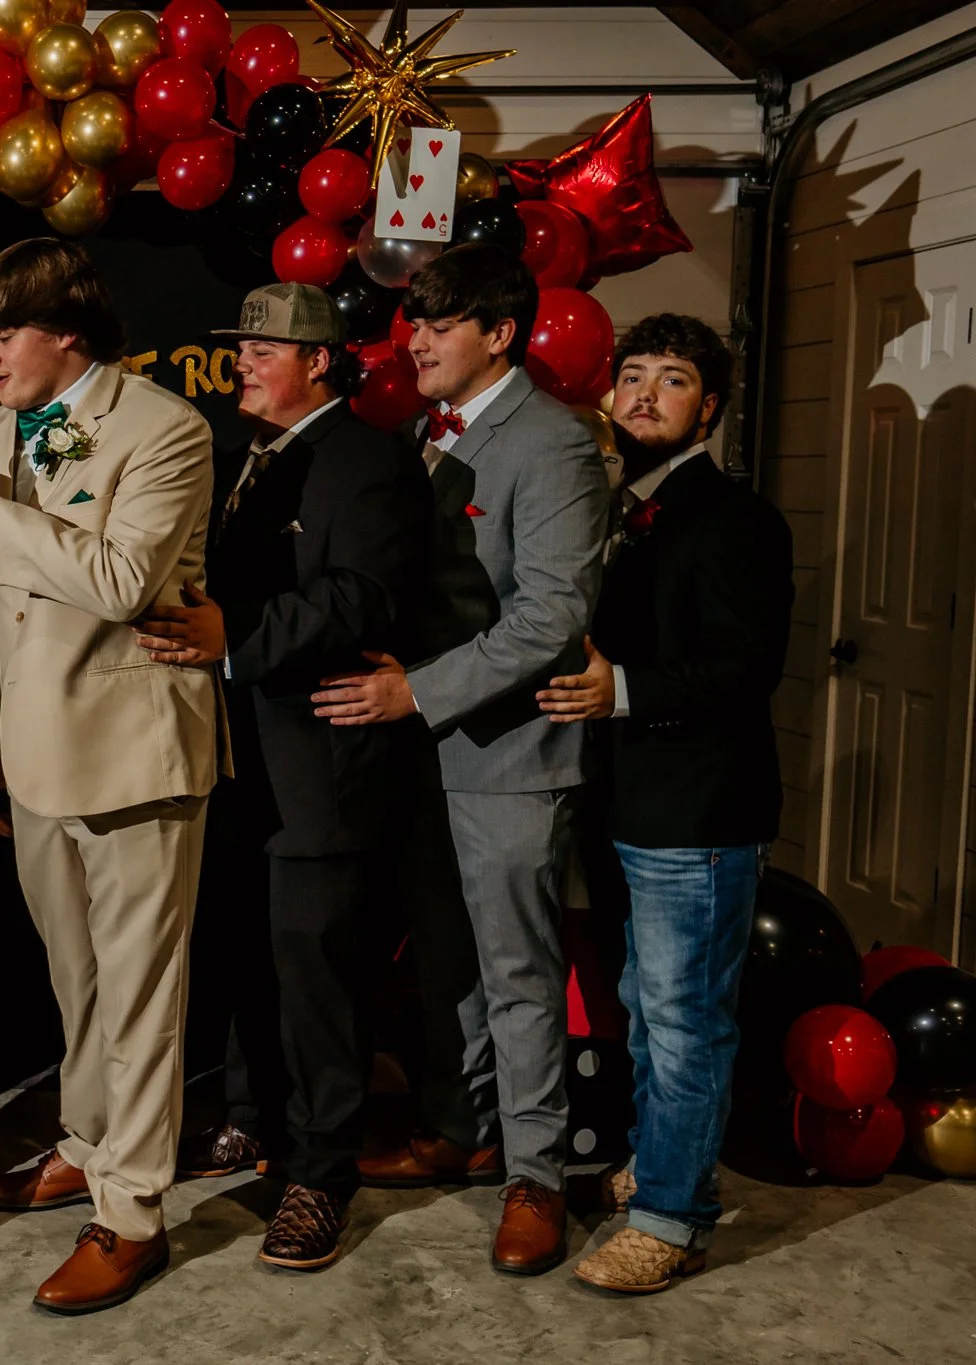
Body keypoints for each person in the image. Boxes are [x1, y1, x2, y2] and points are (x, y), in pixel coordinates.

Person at [0, 239, 218, 1313]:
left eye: (2, 333)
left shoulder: (166, 428)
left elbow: (122, 580)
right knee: (77, 985)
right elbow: (0, 626)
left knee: (140, 996)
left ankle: (132, 1210)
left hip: (136, 752)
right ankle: (88, 1141)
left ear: (66, 334)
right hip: (38, 756)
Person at [314, 244, 609, 1275]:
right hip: (425, 750)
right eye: (415, 320)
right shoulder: (420, 435)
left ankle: (534, 1177)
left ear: (501, 334)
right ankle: (469, 1130)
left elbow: (550, 617)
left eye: (441, 323)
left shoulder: (554, 444)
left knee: (518, 972)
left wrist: (417, 690)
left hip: (511, 751)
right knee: (451, 965)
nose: (417, 338)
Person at [133, 282, 432, 1271]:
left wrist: (237, 637)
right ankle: (251, 1123)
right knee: (244, 960)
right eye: (241, 344)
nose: (242, 362)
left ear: (319, 361)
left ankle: (320, 1175)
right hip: (232, 766)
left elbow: (364, 595)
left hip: (318, 770)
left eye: (263, 347)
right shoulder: (237, 463)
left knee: (315, 981)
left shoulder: (368, 459)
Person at [535, 314, 792, 1293]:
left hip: (696, 812)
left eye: (671, 380)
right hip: (625, 803)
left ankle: (670, 1218)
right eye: (631, 376)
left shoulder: (732, 518)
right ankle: (659, 1165)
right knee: (646, 1010)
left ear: (708, 406)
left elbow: (744, 667)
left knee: (684, 1021)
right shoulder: (622, 509)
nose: (643, 395)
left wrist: (623, 692)